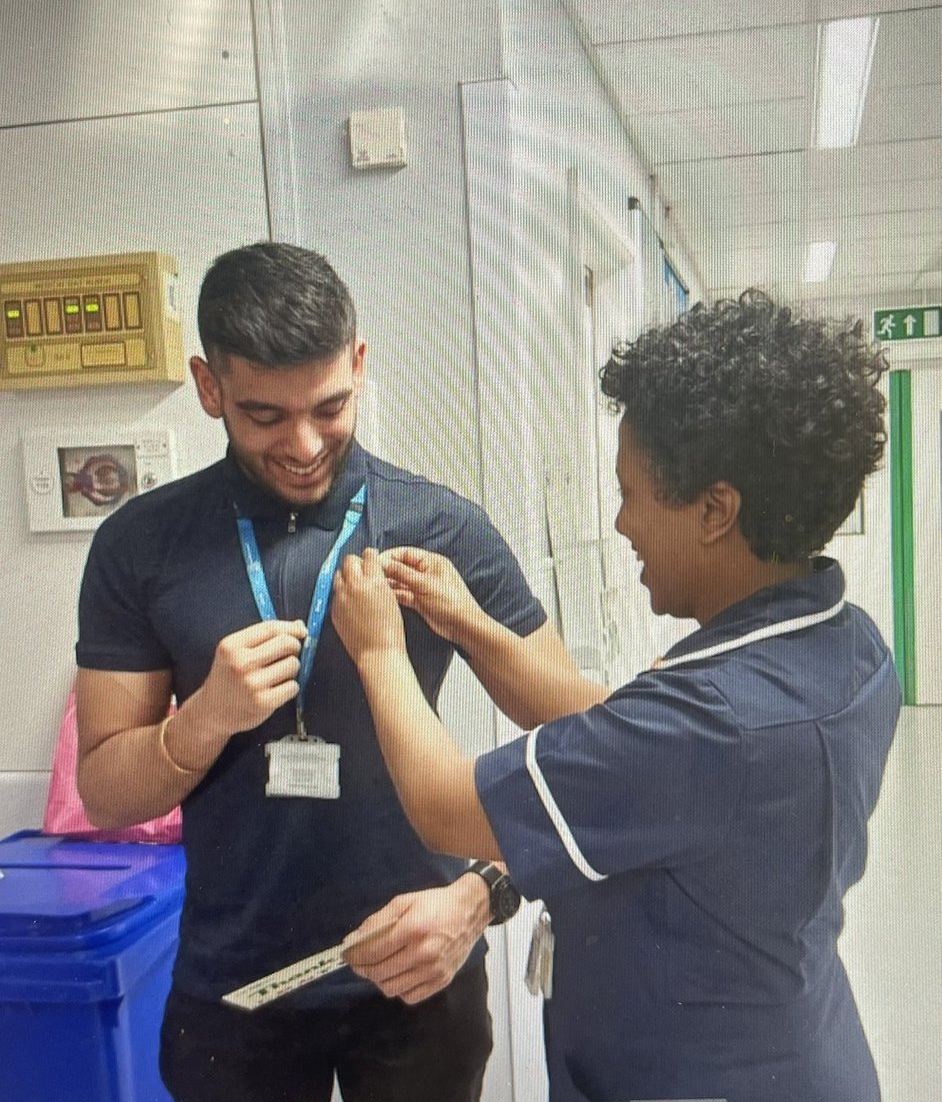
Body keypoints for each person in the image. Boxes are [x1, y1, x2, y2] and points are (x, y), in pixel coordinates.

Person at [330, 291, 902, 1102]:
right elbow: (620, 734)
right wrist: (471, 625)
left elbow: (442, 803)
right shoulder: (846, 644)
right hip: (798, 1047)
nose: (622, 523)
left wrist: (381, 650)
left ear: (715, 510)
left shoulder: (706, 725)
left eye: (632, 491)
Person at [74, 241, 585, 1102]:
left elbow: (582, 748)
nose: (305, 444)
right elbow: (106, 792)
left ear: (359, 363)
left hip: (419, 973)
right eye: (265, 415)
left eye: (331, 406)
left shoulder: (440, 526)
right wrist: (201, 720)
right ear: (209, 389)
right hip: (234, 994)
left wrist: (482, 895)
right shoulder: (140, 546)